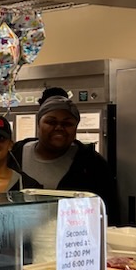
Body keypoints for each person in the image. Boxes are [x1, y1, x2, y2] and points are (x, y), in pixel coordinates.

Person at [10, 95, 119, 223]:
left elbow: (108, 212)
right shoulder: (14, 157)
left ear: (76, 127)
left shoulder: (93, 164)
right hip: (19, 233)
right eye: (51, 122)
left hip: (74, 233)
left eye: (67, 124)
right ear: (38, 124)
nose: (59, 128)